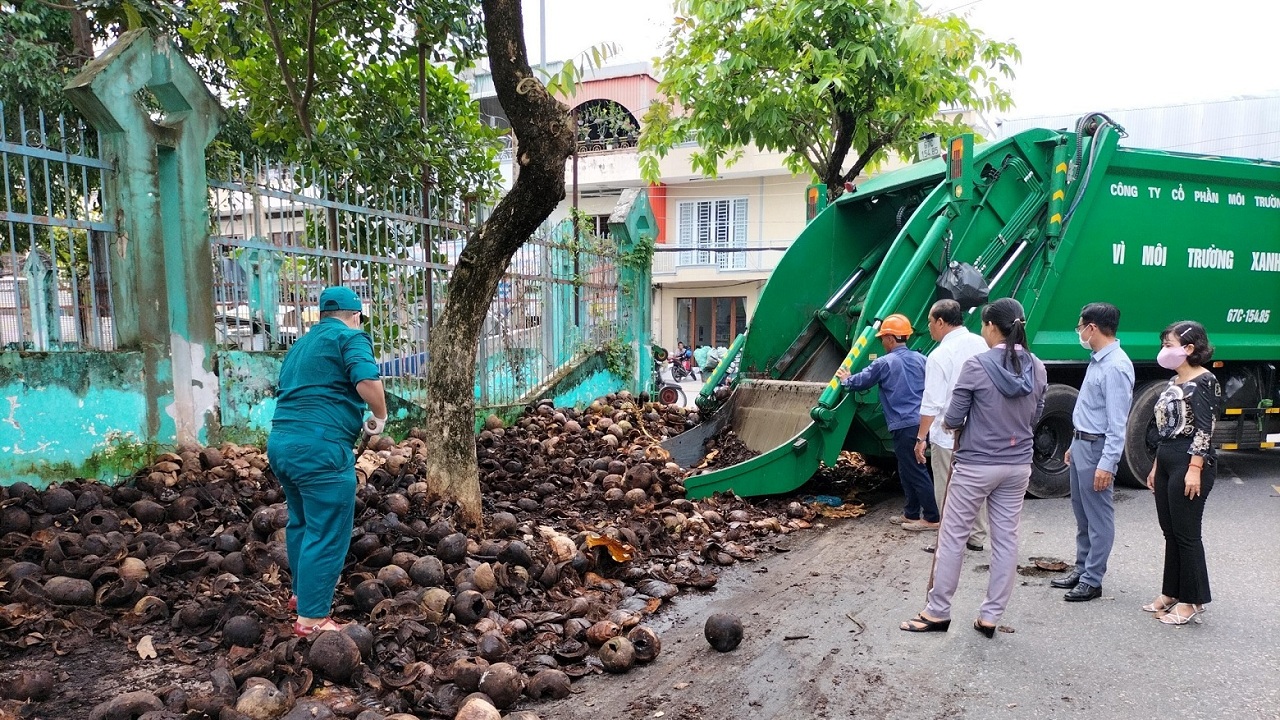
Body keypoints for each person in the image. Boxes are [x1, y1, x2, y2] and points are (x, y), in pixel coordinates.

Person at [899, 298, 1047, 637]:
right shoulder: (1037, 366)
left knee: (951, 538)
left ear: (992, 327)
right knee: (1006, 541)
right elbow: (1036, 414)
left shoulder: (976, 366)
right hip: (1018, 466)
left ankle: (937, 612)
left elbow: (952, 418)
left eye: (984, 325)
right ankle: (990, 617)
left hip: (975, 465)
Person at [267, 286, 388, 637]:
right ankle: (312, 619)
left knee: (302, 521)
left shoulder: (300, 346)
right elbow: (367, 380)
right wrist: (379, 415)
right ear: (356, 316)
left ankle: (301, 595)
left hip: (281, 444)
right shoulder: (351, 337)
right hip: (320, 449)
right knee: (328, 530)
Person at [1049, 303, 1134, 602]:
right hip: (1083, 444)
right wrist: (1075, 443)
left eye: (1080, 326)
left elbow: (1117, 422)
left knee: (1098, 516)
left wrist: (1107, 463)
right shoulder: (1097, 361)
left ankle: (1093, 579)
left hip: (1098, 448)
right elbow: (1090, 410)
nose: (1079, 332)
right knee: (1082, 513)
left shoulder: (1116, 367)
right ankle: (1082, 568)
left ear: (1093, 327)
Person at [1144, 321, 1221, 626]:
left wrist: (1194, 469)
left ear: (1189, 349)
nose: (1164, 350)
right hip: (1167, 458)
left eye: (1169, 344)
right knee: (1170, 531)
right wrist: (1155, 466)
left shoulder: (1205, 381)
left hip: (1190, 462)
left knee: (1187, 535)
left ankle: (1193, 600)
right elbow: (1164, 430)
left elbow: (1205, 427)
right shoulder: (1174, 380)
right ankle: (1171, 591)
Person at [835, 313, 936, 531]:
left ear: (890, 338)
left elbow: (861, 382)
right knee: (906, 468)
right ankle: (910, 514)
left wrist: (846, 380)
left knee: (915, 471)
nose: (881, 342)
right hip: (920, 422)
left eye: (882, 338)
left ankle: (931, 518)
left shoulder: (884, 362)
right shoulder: (923, 359)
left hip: (903, 424)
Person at [915, 299, 992, 553]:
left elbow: (932, 403)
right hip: (980, 431)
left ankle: (948, 540)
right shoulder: (981, 343)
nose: (929, 328)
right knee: (975, 485)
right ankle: (976, 536)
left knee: (947, 489)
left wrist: (921, 438)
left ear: (940, 321)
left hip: (948, 434)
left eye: (929, 322)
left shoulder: (939, 355)